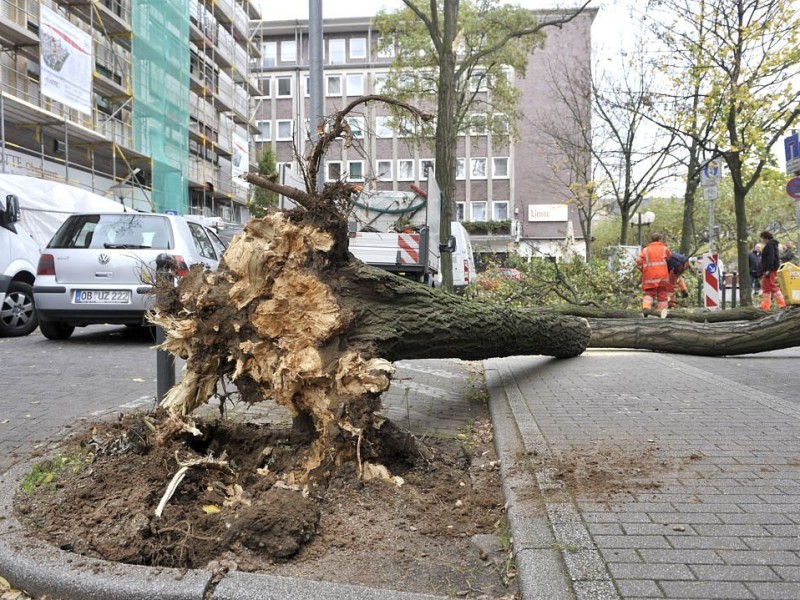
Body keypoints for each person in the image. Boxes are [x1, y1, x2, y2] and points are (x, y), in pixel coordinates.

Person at [636, 232, 671, 317]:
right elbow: (669, 257)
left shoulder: (645, 250)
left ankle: (646, 308)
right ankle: (662, 311)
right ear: (660, 239)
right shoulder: (664, 248)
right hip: (662, 275)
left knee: (649, 293)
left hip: (650, 275)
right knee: (662, 293)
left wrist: (642, 269)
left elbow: (638, 261)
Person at [759, 230, 786, 310]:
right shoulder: (772, 245)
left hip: (770, 269)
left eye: (762, 238)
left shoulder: (770, 245)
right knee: (766, 287)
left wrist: (769, 269)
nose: (762, 240)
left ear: (765, 238)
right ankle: (765, 306)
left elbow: (771, 258)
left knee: (771, 285)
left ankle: (782, 304)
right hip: (768, 269)